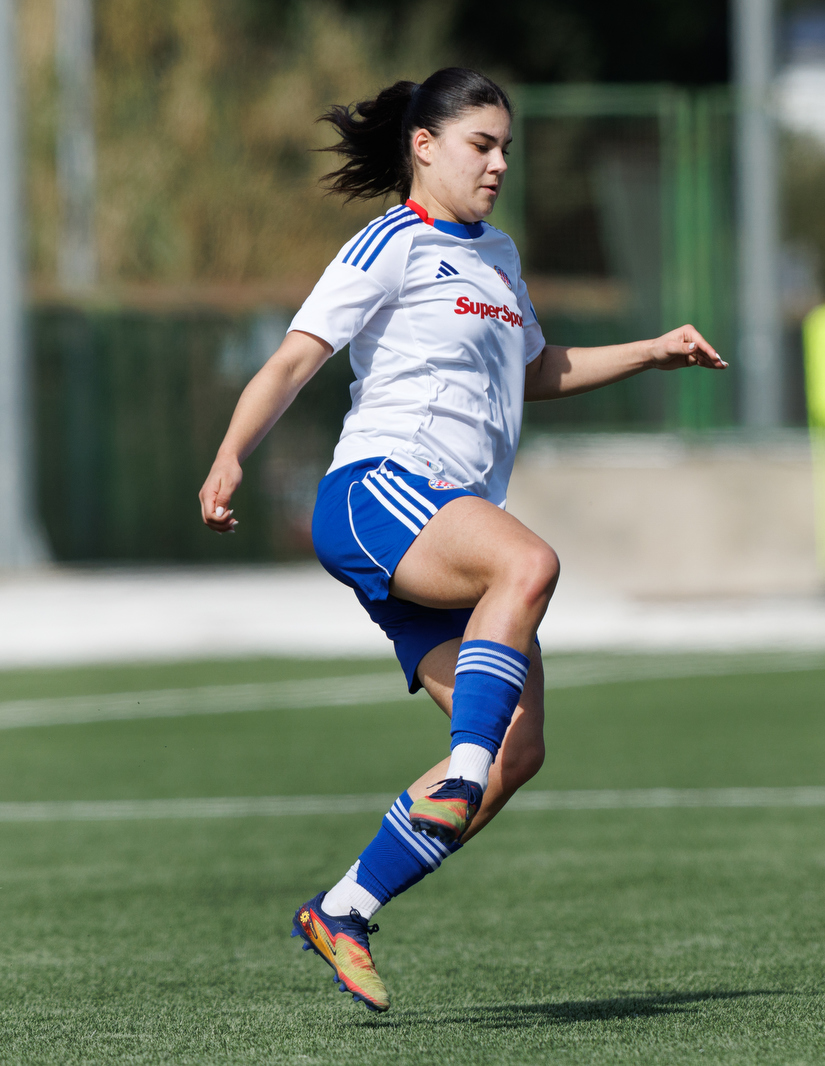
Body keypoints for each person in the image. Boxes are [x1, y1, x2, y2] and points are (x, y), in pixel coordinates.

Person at [197, 68, 725, 1014]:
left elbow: (538, 368)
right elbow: (293, 360)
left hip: (437, 525)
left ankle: (344, 909)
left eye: (507, 148)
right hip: (377, 491)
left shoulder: (501, 257)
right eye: (481, 144)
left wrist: (653, 349)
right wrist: (232, 454)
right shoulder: (388, 244)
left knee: (520, 743)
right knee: (528, 564)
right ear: (424, 145)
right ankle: (462, 768)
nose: (499, 163)